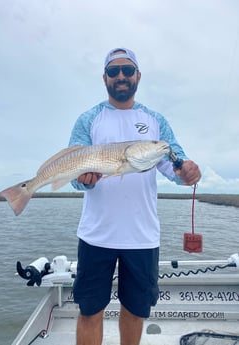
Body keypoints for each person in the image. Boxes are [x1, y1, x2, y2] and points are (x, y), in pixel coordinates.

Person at [68, 48, 201, 345]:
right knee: (90, 311)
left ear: (138, 75)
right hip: (96, 235)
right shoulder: (89, 119)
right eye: (113, 71)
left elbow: (175, 162)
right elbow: (74, 178)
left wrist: (187, 171)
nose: (121, 77)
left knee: (135, 311)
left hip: (142, 237)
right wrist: (84, 181)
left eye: (127, 70)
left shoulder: (155, 121)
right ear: (104, 78)